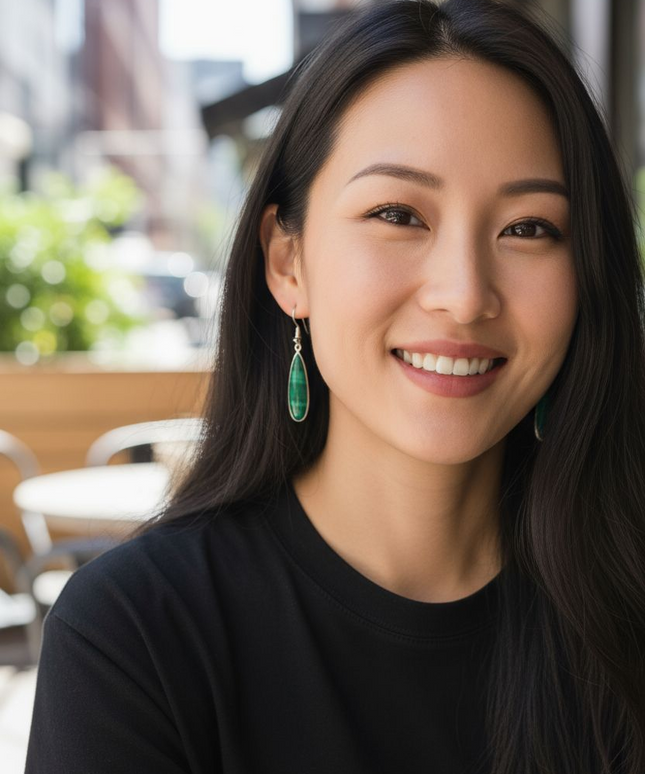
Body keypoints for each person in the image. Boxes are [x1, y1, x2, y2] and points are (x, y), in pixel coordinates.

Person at [24, 0, 645, 772]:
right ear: (288, 264)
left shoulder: (622, 616)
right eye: (397, 213)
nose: (463, 292)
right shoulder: (138, 635)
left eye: (528, 227)